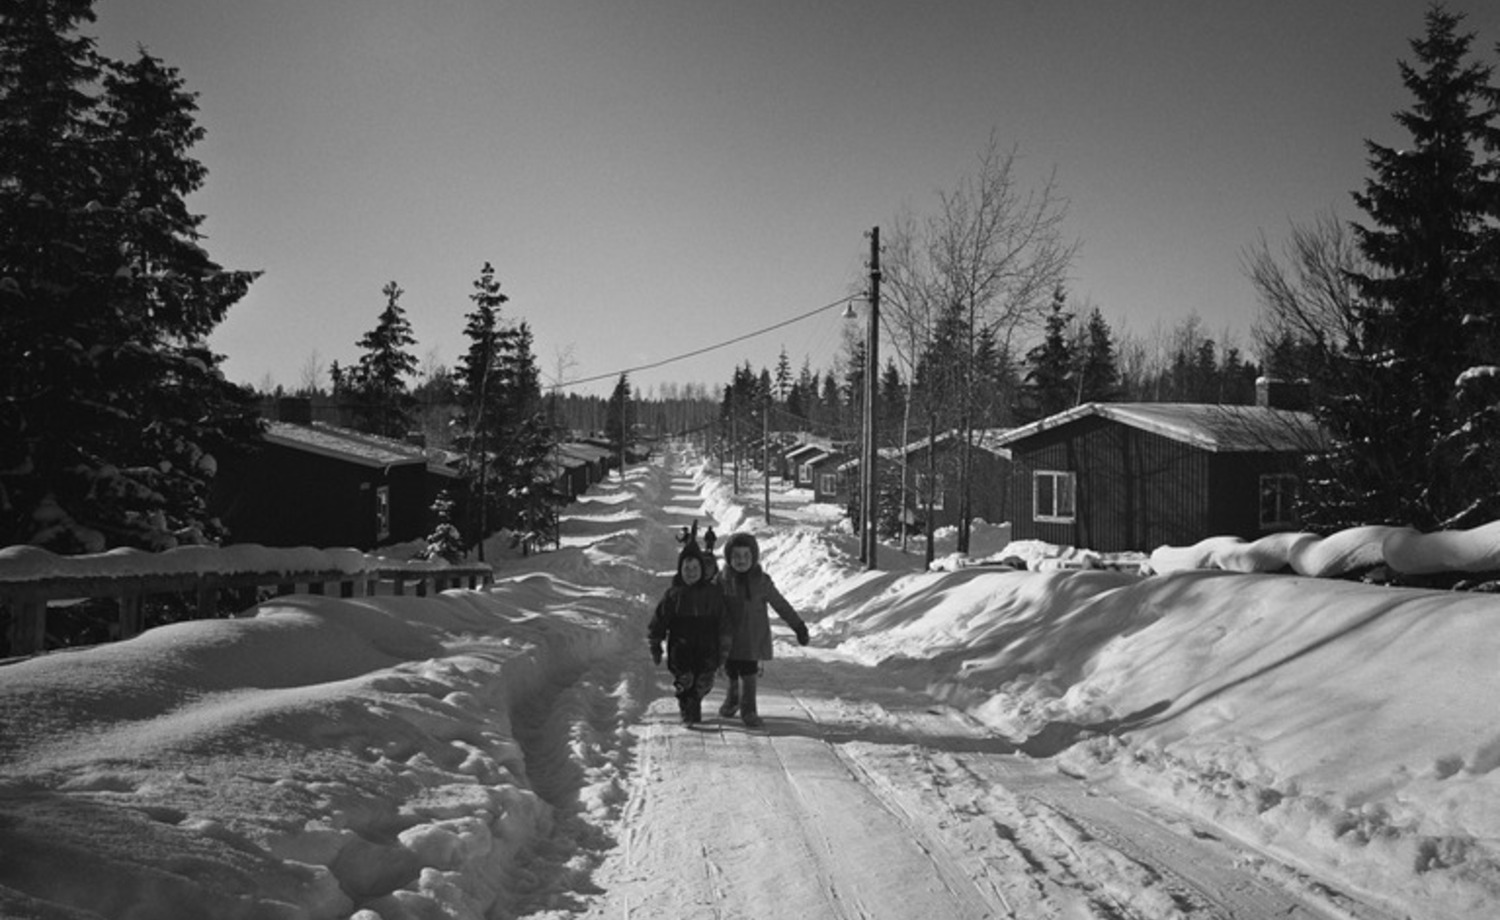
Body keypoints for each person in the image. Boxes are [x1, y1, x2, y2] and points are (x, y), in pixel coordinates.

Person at [716, 532, 810, 728]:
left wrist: (798, 626)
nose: (741, 561)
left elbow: (780, 604)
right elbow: (707, 604)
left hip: (752, 640)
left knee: (749, 674)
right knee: (731, 672)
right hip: (728, 639)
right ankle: (732, 700)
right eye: (736, 556)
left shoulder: (761, 581)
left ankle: (749, 710)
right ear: (728, 558)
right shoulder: (722, 580)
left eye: (746, 556)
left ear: (754, 557)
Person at [648, 542, 732, 725]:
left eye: (695, 568)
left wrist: (725, 648)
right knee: (685, 680)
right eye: (687, 568)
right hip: (681, 648)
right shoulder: (673, 595)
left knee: (704, 682)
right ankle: (687, 709)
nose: (691, 572)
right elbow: (659, 620)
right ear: (680, 570)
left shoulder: (713, 594)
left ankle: (695, 700)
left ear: (702, 570)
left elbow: (724, 622)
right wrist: (655, 643)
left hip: (707, 648)